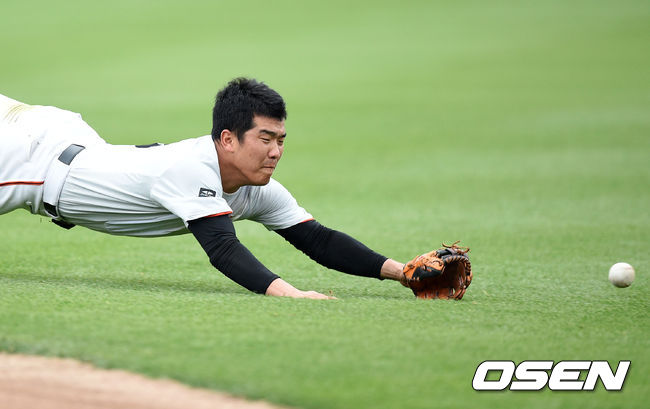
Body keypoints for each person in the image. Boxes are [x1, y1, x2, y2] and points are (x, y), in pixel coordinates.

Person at [0, 78, 406, 299]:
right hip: (29, 163)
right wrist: (291, 294)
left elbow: (317, 240)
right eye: (265, 139)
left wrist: (403, 273)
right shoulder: (191, 168)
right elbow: (223, 249)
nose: (276, 151)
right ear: (228, 139)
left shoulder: (257, 188)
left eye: (281, 140)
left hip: (65, 134)